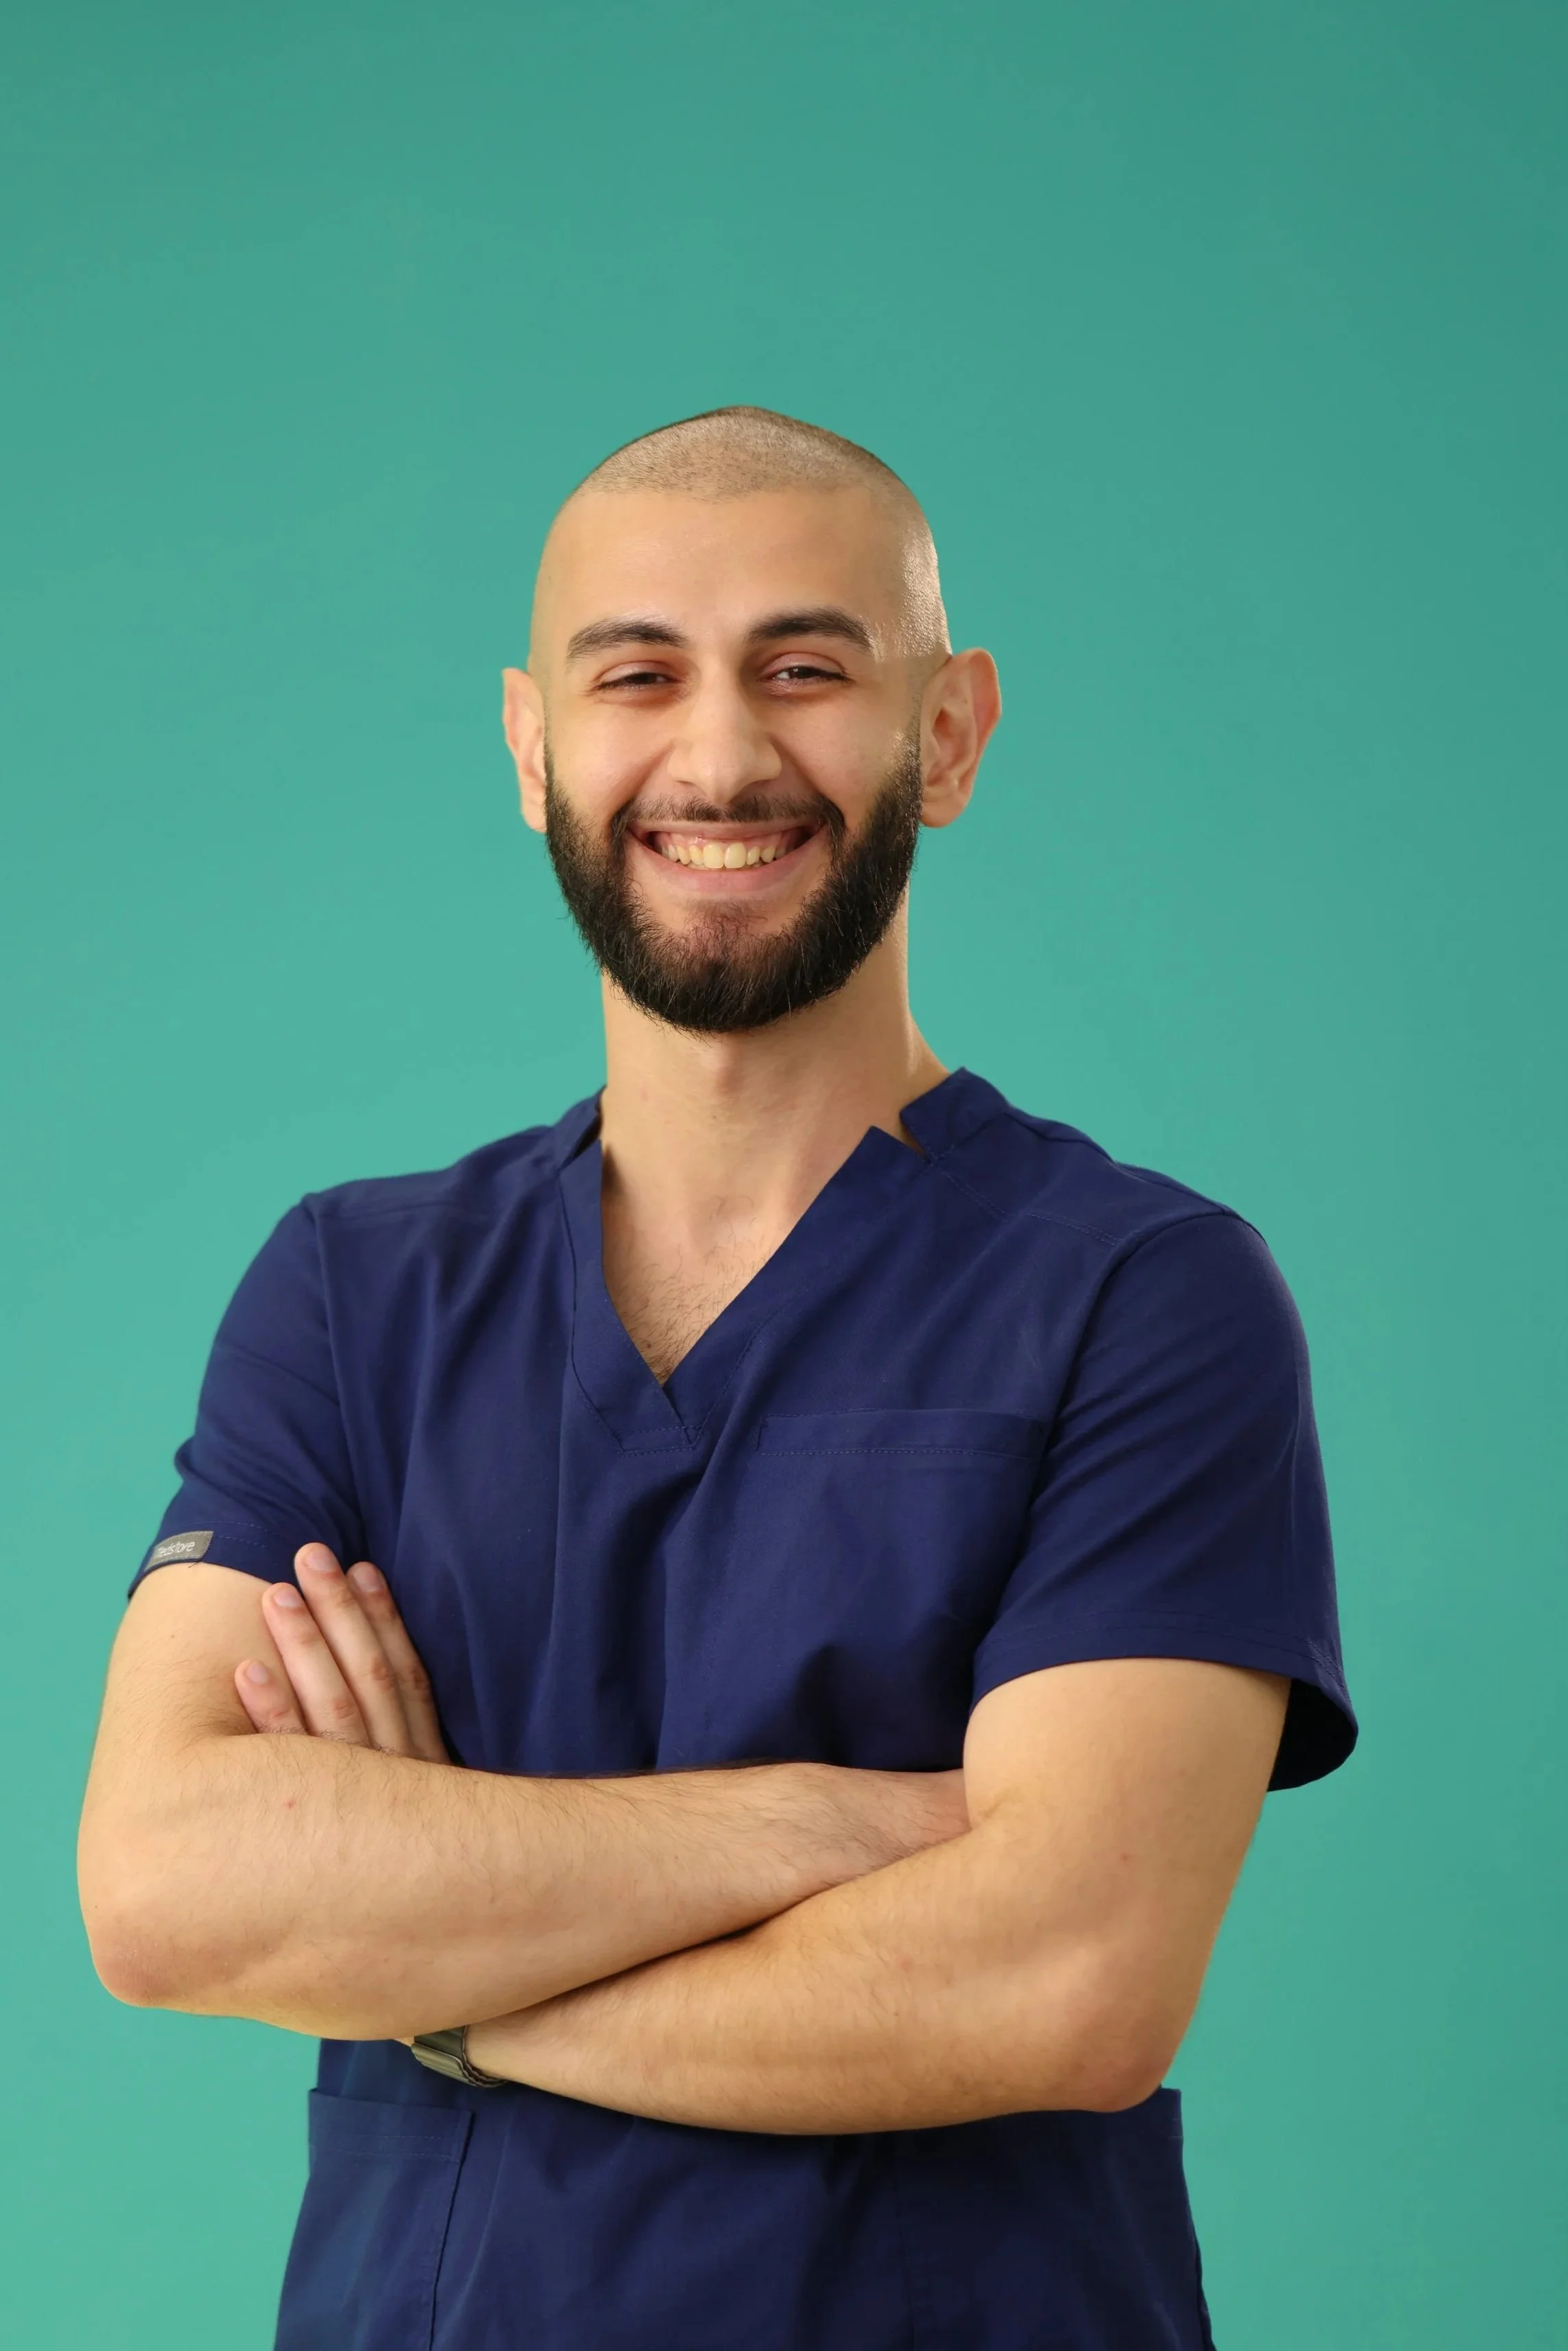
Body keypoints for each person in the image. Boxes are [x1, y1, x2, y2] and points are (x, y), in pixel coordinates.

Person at [79, 405, 1355, 2351]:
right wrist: (824, 1825)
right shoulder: (353, 1292)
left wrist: (437, 1980)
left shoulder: (1142, 1296)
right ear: (535, 751)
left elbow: (1066, 1983)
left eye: (806, 669)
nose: (723, 756)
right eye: (638, 677)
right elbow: (168, 1885)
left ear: (948, 733)